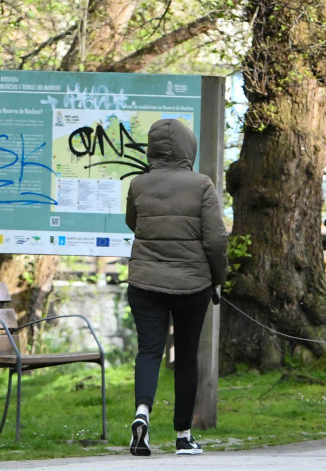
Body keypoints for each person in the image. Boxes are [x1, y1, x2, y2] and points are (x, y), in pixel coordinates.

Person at [125, 118, 227, 456]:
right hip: (192, 284)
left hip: (144, 282)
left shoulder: (139, 184)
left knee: (149, 352)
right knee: (185, 358)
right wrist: (218, 278)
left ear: (152, 148)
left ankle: (142, 414)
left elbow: (133, 222)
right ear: (188, 147)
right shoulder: (201, 184)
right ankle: (184, 436)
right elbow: (215, 239)